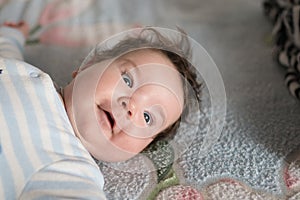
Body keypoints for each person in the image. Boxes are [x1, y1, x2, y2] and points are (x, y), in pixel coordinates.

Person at [0, 21, 201, 199]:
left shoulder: (70, 168)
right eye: (127, 79)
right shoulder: (28, 74)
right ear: (88, 65)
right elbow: (8, 58)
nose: (132, 106)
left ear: (140, 150)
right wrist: (12, 37)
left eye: (147, 117)